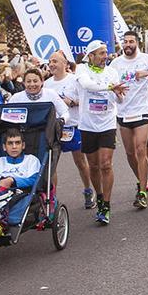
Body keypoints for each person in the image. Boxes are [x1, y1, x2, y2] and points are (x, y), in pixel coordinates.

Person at [109, 31, 148, 209]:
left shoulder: (147, 59)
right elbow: (110, 85)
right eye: (125, 42)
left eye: (131, 41)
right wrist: (114, 89)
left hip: (142, 112)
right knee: (130, 153)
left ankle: (143, 191)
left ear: (137, 43)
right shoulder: (115, 63)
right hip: (123, 112)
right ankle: (141, 181)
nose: (128, 44)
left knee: (140, 149)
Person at [76, 40, 127, 225]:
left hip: (107, 123)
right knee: (94, 166)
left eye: (106, 53)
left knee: (106, 164)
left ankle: (105, 204)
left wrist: (119, 94)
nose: (106, 56)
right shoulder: (81, 70)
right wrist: (109, 87)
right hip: (87, 125)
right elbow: (88, 85)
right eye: (101, 53)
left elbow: (119, 101)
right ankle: (98, 195)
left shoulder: (112, 72)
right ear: (90, 56)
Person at [44, 51, 94, 210]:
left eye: (55, 61)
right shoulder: (47, 84)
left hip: (74, 126)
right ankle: (53, 199)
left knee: (80, 161)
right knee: (53, 164)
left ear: (65, 64)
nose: (52, 64)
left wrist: (71, 102)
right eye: (50, 61)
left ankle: (88, 190)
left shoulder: (74, 80)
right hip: (55, 128)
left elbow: (86, 101)